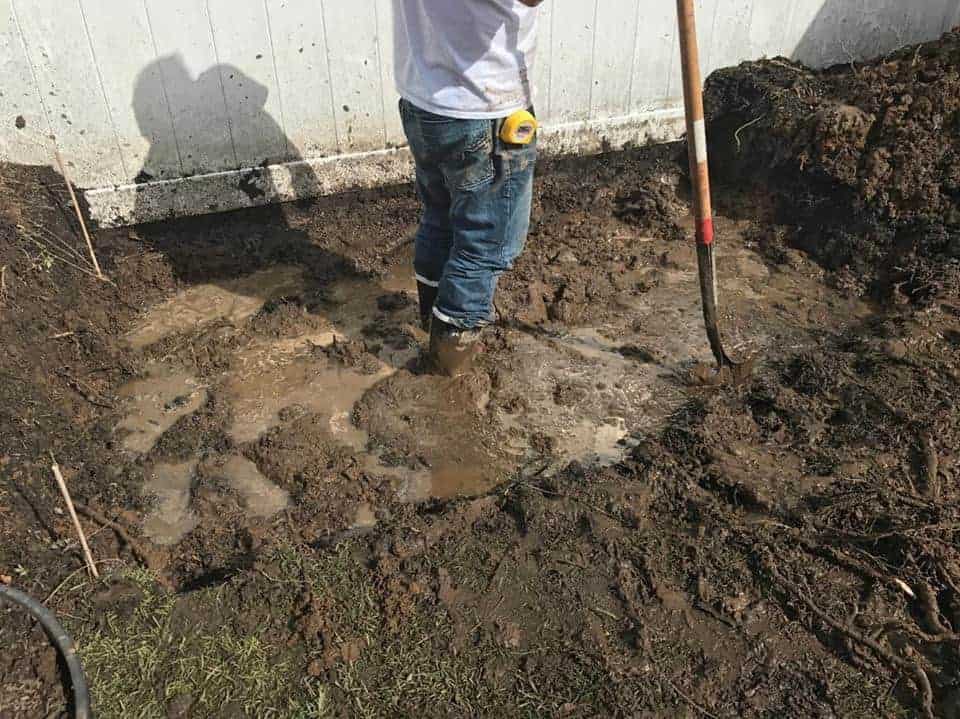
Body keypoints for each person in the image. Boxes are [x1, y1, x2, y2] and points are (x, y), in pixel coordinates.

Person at [393, 0, 545, 376]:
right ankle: (448, 368)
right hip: (481, 108)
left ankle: (433, 323)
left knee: (441, 218)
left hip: (423, 99)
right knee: (486, 244)